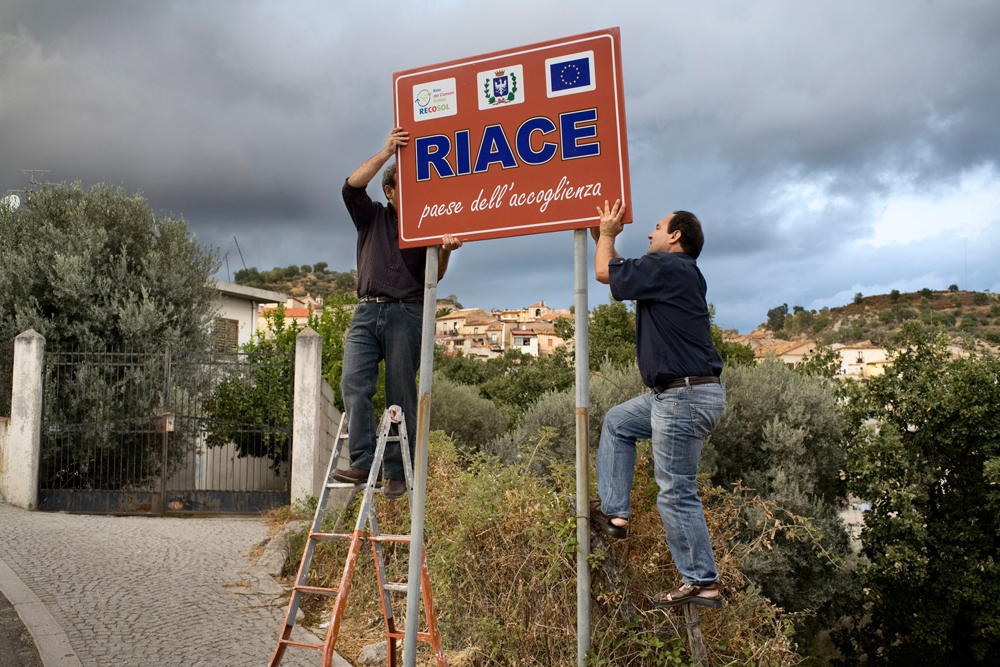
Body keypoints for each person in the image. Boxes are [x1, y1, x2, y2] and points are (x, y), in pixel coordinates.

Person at [589, 199, 726, 608]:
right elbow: (616, 272)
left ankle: (701, 581)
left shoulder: (669, 268)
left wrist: (607, 235)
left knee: (675, 490)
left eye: (656, 228)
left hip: (683, 396)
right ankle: (615, 513)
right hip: (677, 394)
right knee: (618, 422)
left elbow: (601, 272)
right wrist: (602, 237)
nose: (649, 233)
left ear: (675, 236)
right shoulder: (674, 272)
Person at [334, 127, 462, 499]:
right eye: (405, 187)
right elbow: (350, 187)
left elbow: (433, 275)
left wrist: (447, 249)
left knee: (400, 394)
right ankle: (361, 462)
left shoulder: (427, 225)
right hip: (366, 311)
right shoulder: (370, 216)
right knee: (353, 383)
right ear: (389, 192)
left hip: (407, 313)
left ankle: (396, 471)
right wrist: (387, 152)